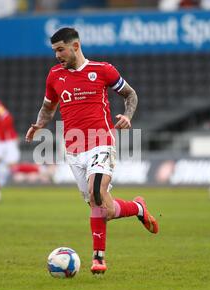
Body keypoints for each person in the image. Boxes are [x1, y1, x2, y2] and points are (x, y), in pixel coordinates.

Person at [25, 27, 159, 274]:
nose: (57, 55)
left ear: (75, 46)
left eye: (60, 49)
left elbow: (130, 95)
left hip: (101, 141)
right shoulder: (54, 75)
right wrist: (39, 124)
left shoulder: (103, 70)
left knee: (95, 190)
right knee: (104, 209)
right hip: (74, 150)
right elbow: (48, 107)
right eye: (54, 51)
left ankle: (98, 259)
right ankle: (138, 207)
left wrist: (128, 116)